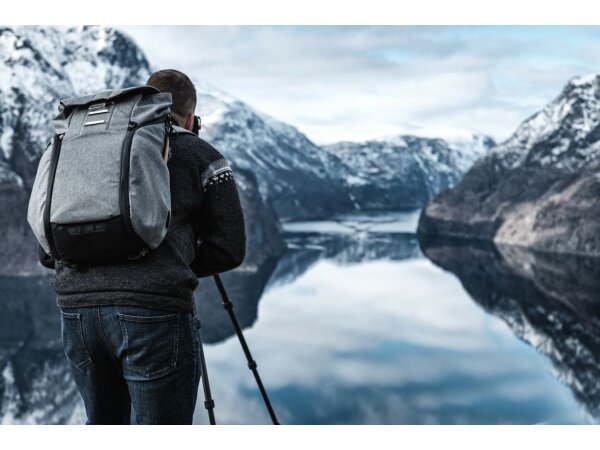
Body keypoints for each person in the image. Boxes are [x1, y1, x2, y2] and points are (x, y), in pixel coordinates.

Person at [38, 69, 247, 424]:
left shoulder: (79, 145)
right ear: (191, 118)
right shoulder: (201, 154)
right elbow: (230, 248)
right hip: (154, 315)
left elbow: (48, 252)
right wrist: (175, 258)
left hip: (77, 314)